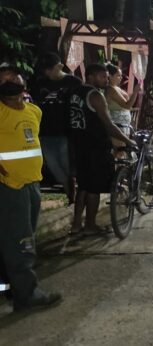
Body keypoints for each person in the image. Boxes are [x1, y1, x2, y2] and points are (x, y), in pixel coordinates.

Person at [0, 63, 62, 311]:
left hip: (32, 184)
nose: (11, 81)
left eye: (14, 77)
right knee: (20, 241)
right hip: (9, 186)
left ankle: (12, 289)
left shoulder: (34, 111)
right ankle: (27, 295)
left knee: (17, 238)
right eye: (4, 79)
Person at [69, 64, 136, 234]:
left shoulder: (75, 92)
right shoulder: (96, 96)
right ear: (90, 76)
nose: (106, 80)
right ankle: (90, 225)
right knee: (94, 188)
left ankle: (77, 225)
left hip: (79, 144)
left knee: (83, 186)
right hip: (95, 146)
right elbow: (108, 125)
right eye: (102, 76)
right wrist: (127, 140)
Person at [30, 52, 82, 204]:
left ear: (59, 66)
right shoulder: (40, 83)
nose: (47, 73)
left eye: (49, 69)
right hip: (45, 132)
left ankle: (73, 199)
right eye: (44, 70)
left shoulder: (74, 82)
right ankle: (71, 198)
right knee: (55, 168)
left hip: (66, 132)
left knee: (68, 167)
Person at [105, 63, 142, 158]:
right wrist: (135, 92)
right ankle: (116, 171)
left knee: (122, 151)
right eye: (118, 75)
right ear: (110, 76)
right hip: (117, 124)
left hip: (123, 125)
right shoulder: (110, 89)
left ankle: (120, 171)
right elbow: (128, 105)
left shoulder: (117, 88)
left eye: (121, 75)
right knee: (118, 151)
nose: (121, 78)